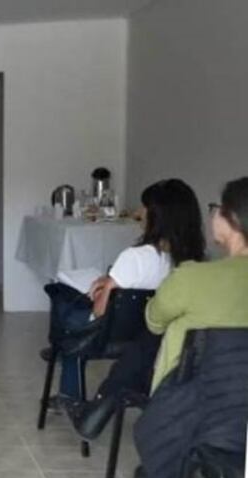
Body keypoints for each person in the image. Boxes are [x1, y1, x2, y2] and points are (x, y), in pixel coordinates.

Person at [71, 177, 248, 439]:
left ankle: (96, 402)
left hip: (182, 383)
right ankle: (100, 403)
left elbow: (153, 320)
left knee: (145, 339)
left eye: (216, 208)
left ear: (231, 218)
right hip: (233, 391)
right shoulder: (200, 260)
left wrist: (106, 287)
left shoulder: (193, 276)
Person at [51, 179, 206, 400]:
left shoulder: (134, 258)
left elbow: (100, 315)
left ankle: (69, 395)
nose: (139, 212)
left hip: (113, 336)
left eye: (145, 207)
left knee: (67, 319)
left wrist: (100, 291)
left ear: (157, 215)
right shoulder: (195, 260)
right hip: (159, 337)